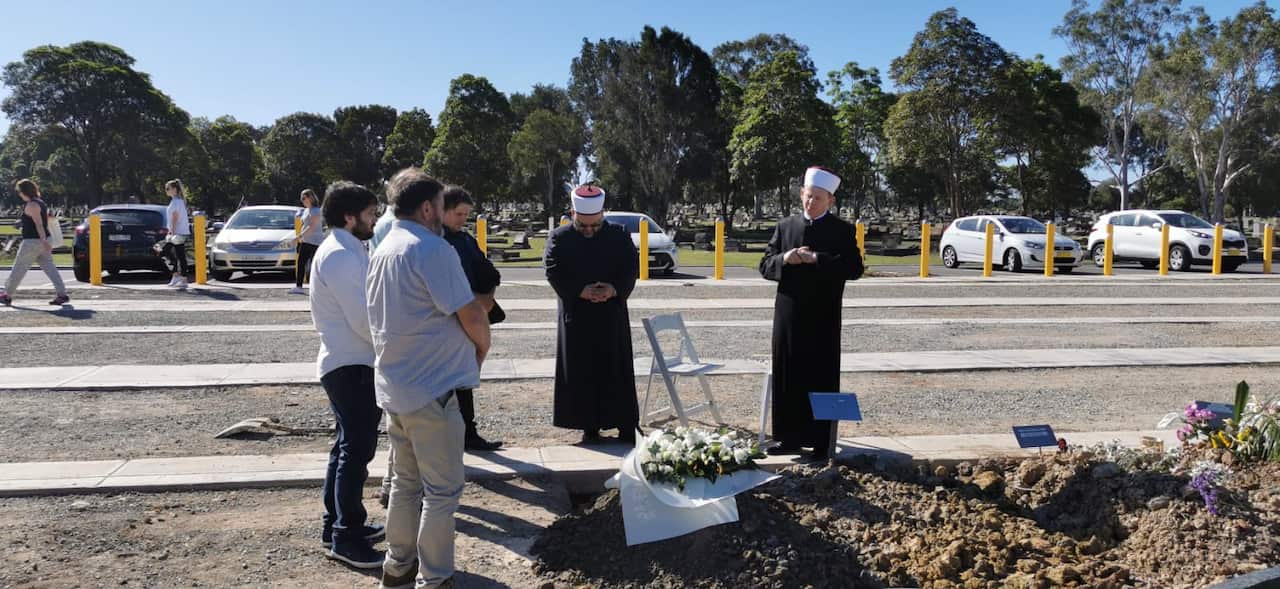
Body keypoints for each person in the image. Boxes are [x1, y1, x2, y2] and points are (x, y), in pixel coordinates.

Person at [368, 168, 490, 589]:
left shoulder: (382, 249)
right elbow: (471, 312)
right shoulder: (432, 249)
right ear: (426, 207)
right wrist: (480, 349)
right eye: (441, 205)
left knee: (404, 484)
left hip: (396, 388)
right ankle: (435, 577)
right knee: (441, 492)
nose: (443, 213)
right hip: (432, 389)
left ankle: (397, 565)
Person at [759, 167, 864, 460]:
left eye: (817, 198)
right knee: (787, 374)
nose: (810, 203)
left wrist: (817, 259)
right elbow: (765, 265)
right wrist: (787, 258)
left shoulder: (842, 231)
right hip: (788, 315)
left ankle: (821, 441)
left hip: (823, 315)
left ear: (830, 201)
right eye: (807, 197)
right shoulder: (785, 226)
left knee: (821, 375)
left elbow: (854, 269)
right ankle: (788, 437)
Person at [310, 181, 387, 569]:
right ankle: (346, 536)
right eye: (371, 214)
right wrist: (394, 351)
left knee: (345, 449)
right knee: (356, 451)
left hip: (351, 363)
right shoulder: (341, 255)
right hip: (352, 364)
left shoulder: (350, 248)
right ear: (349, 217)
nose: (374, 221)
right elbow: (364, 318)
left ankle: (336, 524)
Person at [543, 184, 640, 445]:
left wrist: (614, 289)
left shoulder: (618, 235)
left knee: (616, 369)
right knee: (582, 372)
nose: (588, 231)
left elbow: (631, 267)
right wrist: (579, 291)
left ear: (603, 215)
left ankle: (626, 425)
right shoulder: (559, 237)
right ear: (573, 212)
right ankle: (590, 426)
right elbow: (552, 270)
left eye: (594, 226)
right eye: (583, 225)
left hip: (611, 314)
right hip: (578, 315)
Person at [440, 186, 504, 451]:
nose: (462, 219)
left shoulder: (465, 240)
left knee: (465, 379)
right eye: (458, 213)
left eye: (466, 214)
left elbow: (489, 272)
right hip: (448, 319)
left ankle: (469, 434)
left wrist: (486, 298)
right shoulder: (436, 242)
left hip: (474, 313)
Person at [1, 179, 69, 306]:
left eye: (20, 192)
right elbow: (41, 220)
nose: (19, 194)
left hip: (33, 241)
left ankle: (7, 295)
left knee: (19, 268)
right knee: (50, 268)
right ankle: (62, 294)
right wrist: (22, 224)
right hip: (43, 240)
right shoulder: (41, 203)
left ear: (24, 192)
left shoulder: (31, 205)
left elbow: (38, 224)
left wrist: (43, 240)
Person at [293, 188, 324, 294]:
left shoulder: (316, 211)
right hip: (306, 241)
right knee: (301, 263)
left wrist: (299, 236)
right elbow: (304, 225)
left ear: (310, 198)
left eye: (304, 198)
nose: (302, 200)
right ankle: (299, 286)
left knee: (316, 265)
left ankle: (319, 287)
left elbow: (312, 226)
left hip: (315, 241)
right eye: (301, 198)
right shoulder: (306, 210)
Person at [162, 179, 191, 289]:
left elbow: (175, 218)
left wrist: (172, 232)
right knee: (180, 255)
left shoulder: (176, 202)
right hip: (180, 232)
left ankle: (177, 275)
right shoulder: (178, 201)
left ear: (174, 189)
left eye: (168, 188)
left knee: (165, 251)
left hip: (177, 232)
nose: (166, 191)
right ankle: (182, 278)